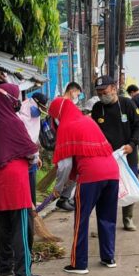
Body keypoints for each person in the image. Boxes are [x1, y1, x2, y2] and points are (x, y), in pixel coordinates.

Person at [49, 96, 120, 273]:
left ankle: (79, 263)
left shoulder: (66, 126)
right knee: (107, 217)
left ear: (57, 114)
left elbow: (65, 166)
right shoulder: (88, 121)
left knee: (81, 219)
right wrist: (70, 182)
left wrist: (58, 189)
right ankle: (108, 257)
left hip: (91, 175)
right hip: (112, 172)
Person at [0, 82, 41, 276]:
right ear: (10, 100)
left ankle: (3, 268)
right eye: (16, 98)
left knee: (4, 225)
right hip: (15, 179)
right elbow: (30, 151)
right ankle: (23, 274)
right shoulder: (13, 122)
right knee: (21, 227)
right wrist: (34, 158)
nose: (18, 102)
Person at [91, 75, 139, 231]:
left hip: (127, 154)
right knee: (107, 189)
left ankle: (128, 218)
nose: (102, 95)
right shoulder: (97, 108)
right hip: (105, 156)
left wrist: (132, 144)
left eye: (104, 91)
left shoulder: (127, 104)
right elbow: (93, 131)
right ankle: (107, 222)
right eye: (99, 92)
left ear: (114, 88)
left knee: (128, 186)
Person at [55, 81, 84, 209]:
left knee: (75, 169)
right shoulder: (60, 103)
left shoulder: (70, 104)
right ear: (72, 91)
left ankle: (65, 197)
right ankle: (59, 193)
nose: (77, 96)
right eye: (77, 94)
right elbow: (60, 122)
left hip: (73, 140)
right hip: (64, 140)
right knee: (66, 166)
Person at [18, 90, 47, 204]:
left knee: (31, 190)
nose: (39, 111)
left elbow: (34, 137)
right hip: (22, 158)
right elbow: (25, 139)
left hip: (33, 158)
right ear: (34, 102)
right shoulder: (21, 115)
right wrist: (33, 156)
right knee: (23, 193)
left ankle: (32, 211)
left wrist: (37, 156)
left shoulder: (36, 115)